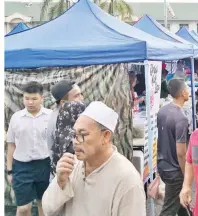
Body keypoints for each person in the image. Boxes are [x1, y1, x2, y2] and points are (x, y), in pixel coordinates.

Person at [42, 101, 146, 216]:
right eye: (74, 135)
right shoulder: (72, 165)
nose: (75, 141)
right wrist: (60, 182)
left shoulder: (126, 179)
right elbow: (48, 209)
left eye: (83, 135)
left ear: (105, 136)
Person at [7, 81, 52, 216]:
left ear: (41, 98)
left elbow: (55, 143)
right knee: (23, 208)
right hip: (22, 167)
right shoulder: (16, 118)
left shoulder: (50, 116)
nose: (30, 102)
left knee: (43, 204)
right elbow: (11, 145)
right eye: (27, 98)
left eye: (34, 99)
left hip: (44, 165)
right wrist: (10, 171)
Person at [157, 79, 190, 216]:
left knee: (181, 203)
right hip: (175, 170)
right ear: (182, 93)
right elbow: (181, 152)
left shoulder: (162, 111)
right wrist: (186, 172)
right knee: (169, 209)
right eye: (187, 89)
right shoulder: (181, 118)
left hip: (163, 165)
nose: (188, 91)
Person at [49, 80, 85, 175]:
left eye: (81, 94)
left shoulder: (69, 115)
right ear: (63, 102)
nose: (82, 98)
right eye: (76, 96)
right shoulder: (57, 121)